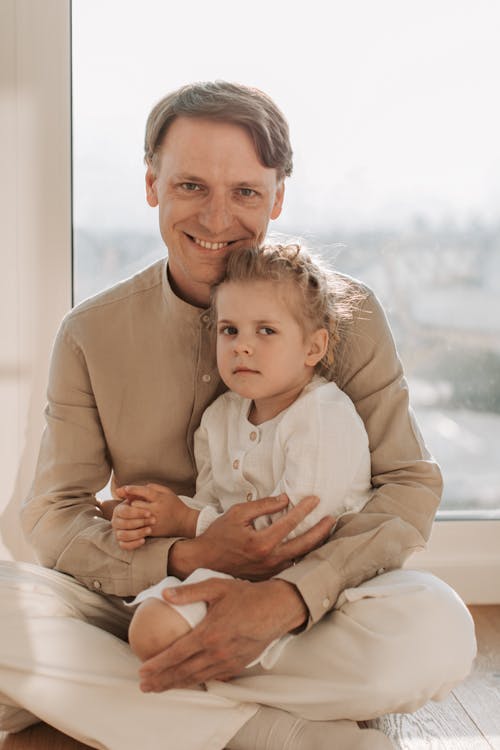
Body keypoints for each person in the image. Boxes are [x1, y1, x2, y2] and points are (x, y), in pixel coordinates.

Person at [0, 81, 476, 750]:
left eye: (246, 192)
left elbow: (408, 486)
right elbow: (53, 514)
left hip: (312, 608)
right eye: (192, 185)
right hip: (146, 602)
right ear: (151, 185)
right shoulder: (90, 333)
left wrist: (287, 599)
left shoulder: (346, 315)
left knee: (440, 632)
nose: (218, 218)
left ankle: (114, 702)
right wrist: (187, 552)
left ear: (278, 195)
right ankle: (278, 731)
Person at [107, 243, 373, 666]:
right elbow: (213, 504)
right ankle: (254, 697)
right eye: (230, 330)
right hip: (233, 575)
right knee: (149, 629)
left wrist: (188, 520)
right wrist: (155, 516)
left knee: (417, 625)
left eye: (265, 331)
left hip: (311, 590)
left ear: (313, 348)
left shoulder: (322, 416)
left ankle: (243, 697)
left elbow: (294, 530)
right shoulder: (219, 418)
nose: (241, 347)